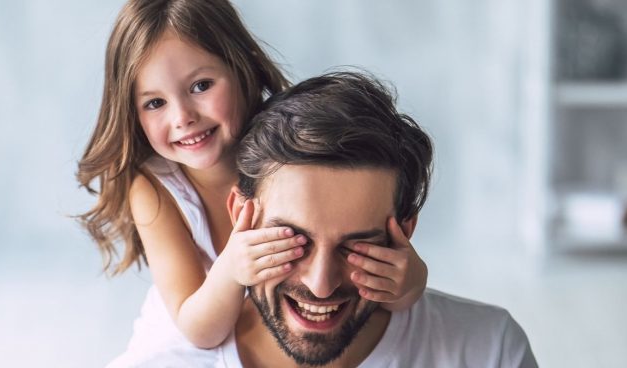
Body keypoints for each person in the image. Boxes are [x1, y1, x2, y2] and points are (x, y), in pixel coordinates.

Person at [76, 0, 428, 364]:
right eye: (154, 103)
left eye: (201, 85)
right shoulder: (154, 189)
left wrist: (412, 279)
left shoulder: (285, 149)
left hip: (284, 330)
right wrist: (232, 268)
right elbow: (200, 331)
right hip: (198, 331)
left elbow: (390, 297)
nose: (182, 117)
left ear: (242, 68)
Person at [136, 71, 538, 367]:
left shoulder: (491, 350)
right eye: (293, 240)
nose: (321, 284)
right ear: (242, 214)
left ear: (405, 232)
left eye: (355, 248)